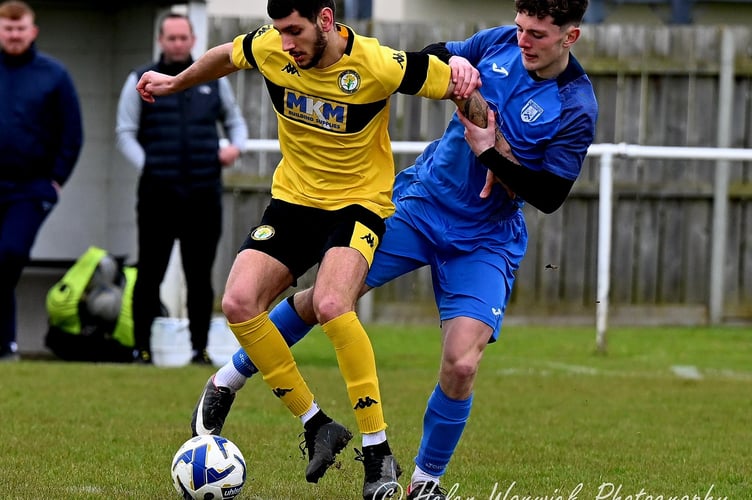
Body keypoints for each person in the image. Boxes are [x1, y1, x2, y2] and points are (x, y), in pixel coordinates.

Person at [188, 0, 598, 498]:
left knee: (462, 363)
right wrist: (457, 69)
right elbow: (422, 60)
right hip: (418, 205)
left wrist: (492, 152)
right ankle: (229, 377)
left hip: (485, 239)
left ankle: (425, 480)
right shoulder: (497, 43)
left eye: (536, 34)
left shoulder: (575, 104)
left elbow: (550, 195)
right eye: (520, 28)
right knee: (327, 299)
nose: (523, 41)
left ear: (569, 38)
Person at [135, 1, 483, 498]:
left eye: (294, 31)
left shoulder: (376, 65)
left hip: (358, 204)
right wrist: (174, 83)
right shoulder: (271, 48)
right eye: (279, 32)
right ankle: (316, 423)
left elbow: (456, 84)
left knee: (330, 303)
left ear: (325, 20)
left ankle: (378, 452)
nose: (285, 43)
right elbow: (226, 55)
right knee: (237, 302)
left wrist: (488, 146)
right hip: (294, 202)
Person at [116, 13, 249, 366]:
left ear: (192, 40)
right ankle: (141, 349)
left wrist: (235, 146)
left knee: (199, 274)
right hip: (158, 193)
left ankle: (198, 349)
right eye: (170, 38)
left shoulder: (211, 79)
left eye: (182, 38)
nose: (177, 44)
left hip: (203, 192)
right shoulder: (140, 79)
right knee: (150, 273)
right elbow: (124, 132)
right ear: (161, 40)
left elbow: (235, 121)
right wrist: (149, 164)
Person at [0, 0, 83, 362]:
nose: (14, 35)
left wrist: (56, 180)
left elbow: (72, 133)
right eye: (7, 28)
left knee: (9, 253)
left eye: (20, 29)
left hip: (31, 188)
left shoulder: (54, 75)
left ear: (32, 31)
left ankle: (6, 344)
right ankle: (7, 347)